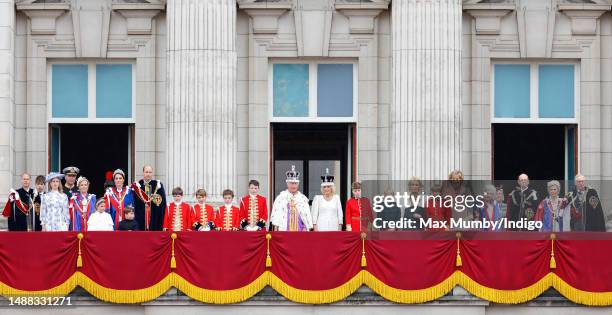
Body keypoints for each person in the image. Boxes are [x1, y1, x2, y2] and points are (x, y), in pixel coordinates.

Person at [271, 165, 313, 231]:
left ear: (298, 184)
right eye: (291, 183)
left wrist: (306, 227)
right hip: (284, 230)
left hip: (300, 230)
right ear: (287, 184)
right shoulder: (281, 198)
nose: (293, 186)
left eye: (295, 183)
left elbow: (306, 216)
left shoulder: (303, 199)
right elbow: (276, 216)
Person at [131, 165, 167, 231]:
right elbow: (133, 202)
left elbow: (163, 203)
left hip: (154, 217)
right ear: (143, 173)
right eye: (146, 172)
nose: (148, 174)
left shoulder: (158, 185)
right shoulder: (137, 186)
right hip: (140, 218)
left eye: (150, 172)